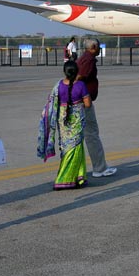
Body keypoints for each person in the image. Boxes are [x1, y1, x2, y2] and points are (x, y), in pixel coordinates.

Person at [38, 61, 92, 189]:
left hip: (63, 121)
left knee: (67, 147)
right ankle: (64, 179)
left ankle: (79, 177)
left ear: (65, 72)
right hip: (77, 121)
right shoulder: (81, 85)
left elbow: (51, 104)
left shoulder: (58, 86)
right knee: (76, 147)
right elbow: (88, 104)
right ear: (76, 72)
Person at [75, 38, 117, 177]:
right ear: (93, 47)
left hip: (79, 101)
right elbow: (79, 77)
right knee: (92, 134)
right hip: (83, 102)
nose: (99, 49)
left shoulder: (83, 58)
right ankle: (100, 168)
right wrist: (80, 94)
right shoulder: (89, 60)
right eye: (98, 47)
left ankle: (84, 168)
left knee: (83, 135)